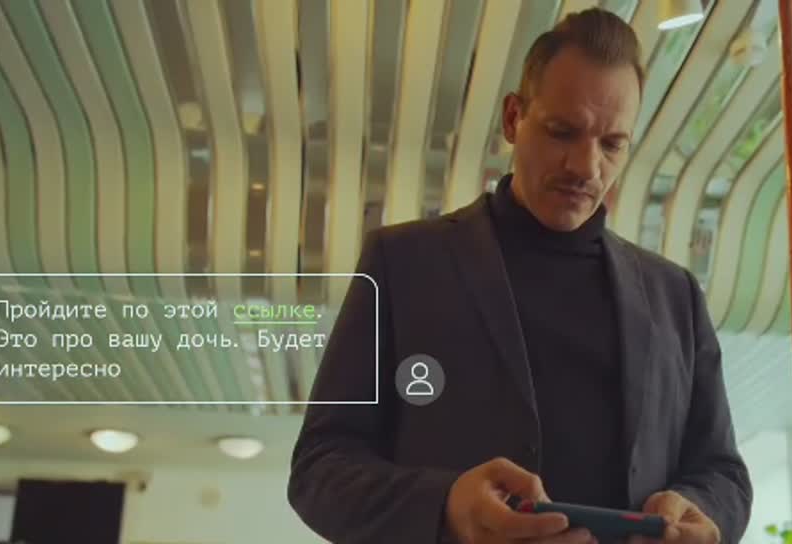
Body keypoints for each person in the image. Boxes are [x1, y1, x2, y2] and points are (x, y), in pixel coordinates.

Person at [288, 8, 751, 544]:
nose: (586, 167)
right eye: (562, 132)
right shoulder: (403, 263)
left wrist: (699, 510)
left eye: (612, 144)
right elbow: (320, 467)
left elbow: (723, 473)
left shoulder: (676, 296)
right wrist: (446, 508)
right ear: (513, 118)